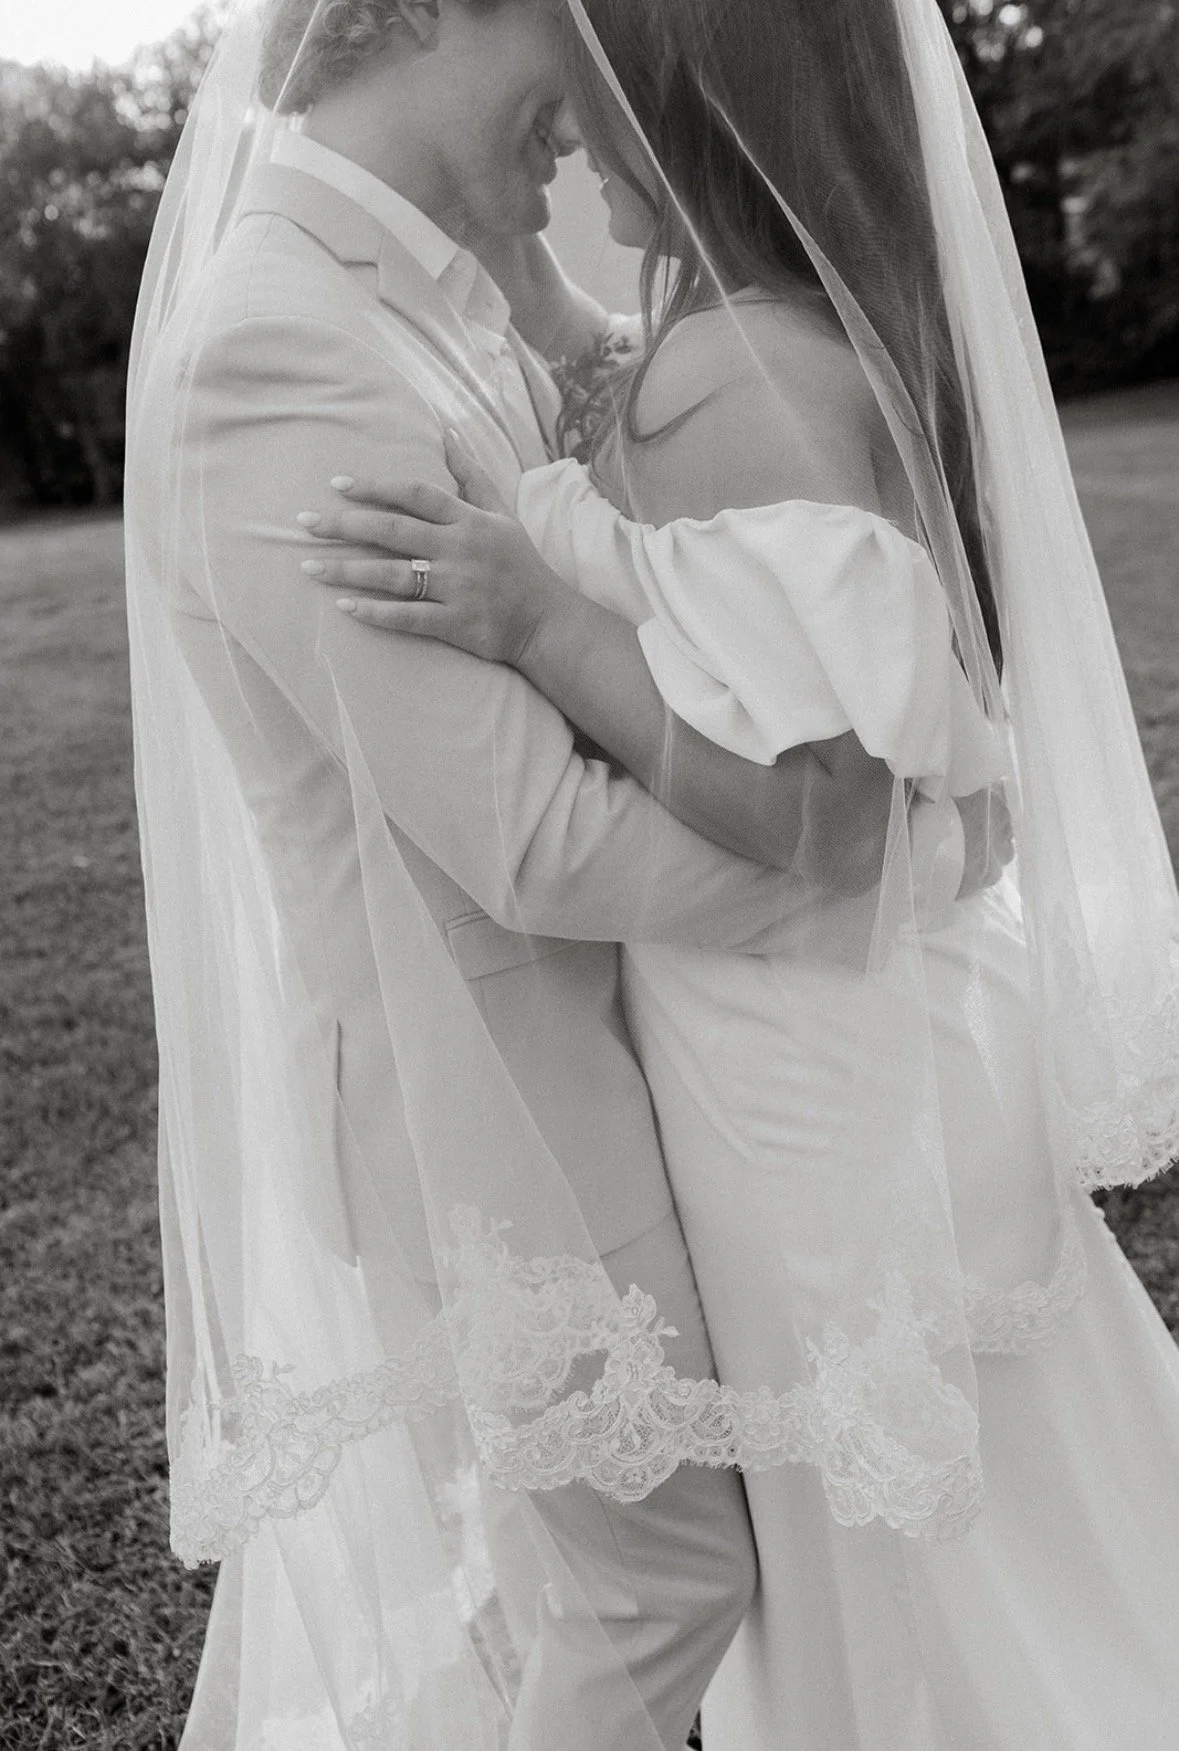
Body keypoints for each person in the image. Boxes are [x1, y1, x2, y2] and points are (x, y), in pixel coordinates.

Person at [297, 0, 1179, 1743]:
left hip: (808, 1054)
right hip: (880, 1022)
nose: (569, 110)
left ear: (690, 101)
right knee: (994, 1472)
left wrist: (534, 614)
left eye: (602, 75)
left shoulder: (735, 377)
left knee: (893, 1526)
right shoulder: (742, 335)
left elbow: (821, 814)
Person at [125, 0, 986, 1744]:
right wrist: (886, 858)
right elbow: (525, 832)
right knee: (649, 1588)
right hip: (488, 1103)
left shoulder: (449, 287)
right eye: (571, 30)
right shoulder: (271, 348)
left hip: (627, 1076)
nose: (600, 99)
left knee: (618, 1594)